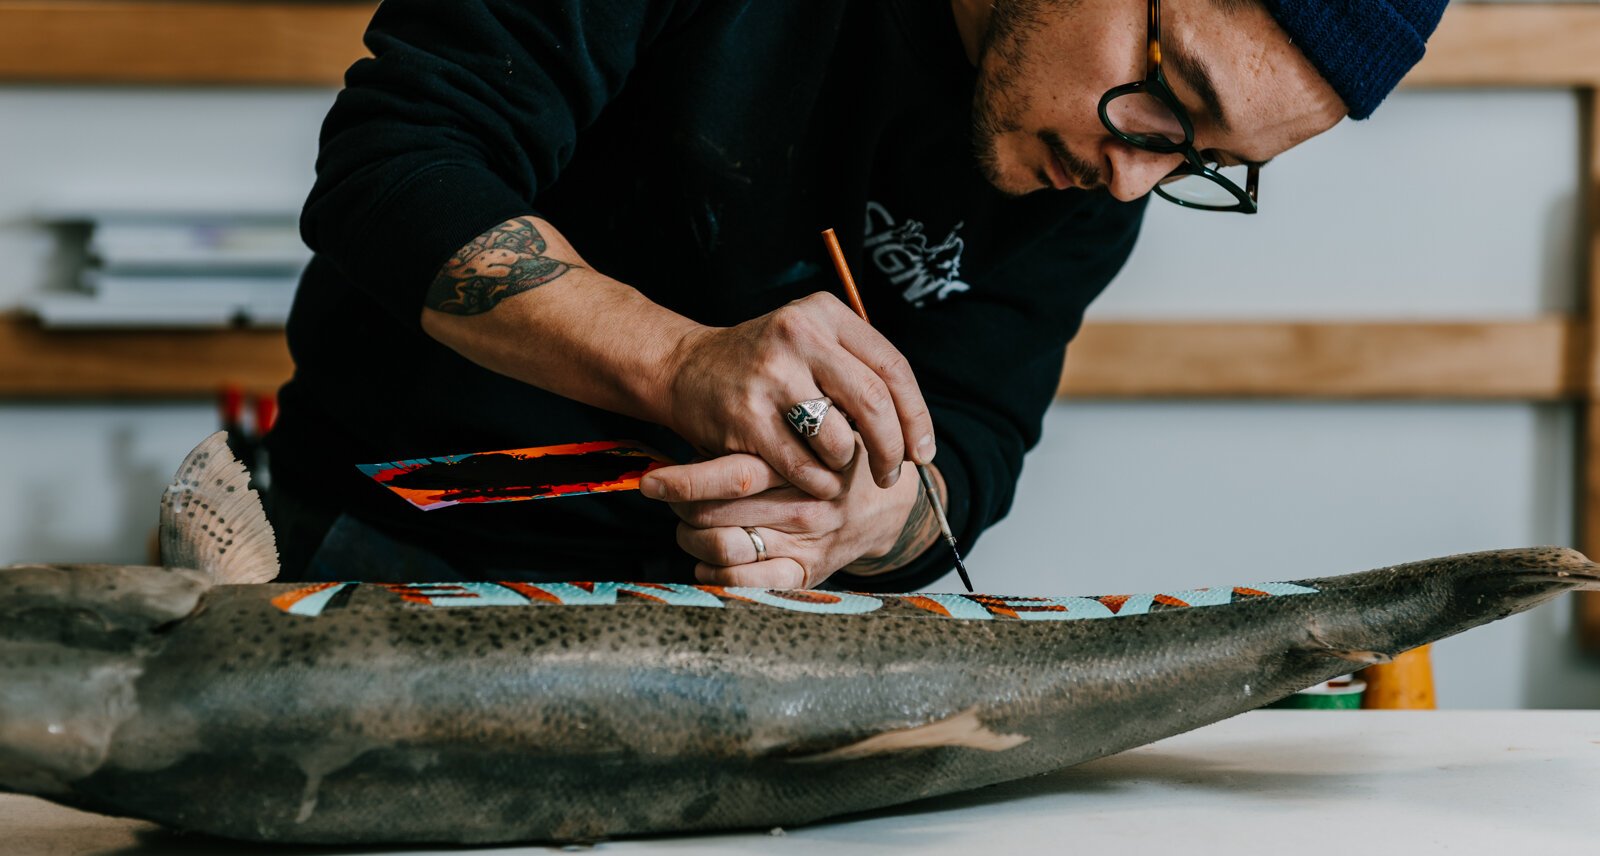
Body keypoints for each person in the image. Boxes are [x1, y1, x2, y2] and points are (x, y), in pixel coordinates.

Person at [264, 0, 1448, 591]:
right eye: (1169, 95)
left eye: (1205, 162)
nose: (1134, 175)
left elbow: (975, 437)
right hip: (388, 552)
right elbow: (398, 169)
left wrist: (879, 521)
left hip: (738, 637)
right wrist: (681, 364)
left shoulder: (1104, 154)